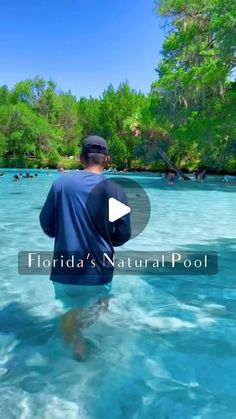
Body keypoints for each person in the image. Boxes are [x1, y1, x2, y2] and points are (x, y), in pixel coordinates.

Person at [39, 135, 131, 359]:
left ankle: (77, 351)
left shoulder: (61, 184)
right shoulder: (116, 191)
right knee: (99, 310)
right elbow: (122, 235)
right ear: (107, 160)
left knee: (70, 313)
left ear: (81, 158)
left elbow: (47, 227)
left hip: (65, 270)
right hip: (101, 270)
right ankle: (98, 353)